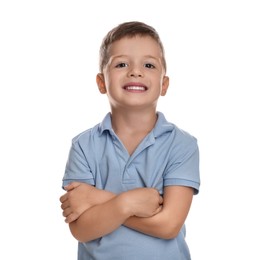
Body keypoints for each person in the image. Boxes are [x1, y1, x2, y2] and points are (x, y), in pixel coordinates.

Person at [59, 21, 200, 260]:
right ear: (101, 82)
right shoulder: (83, 145)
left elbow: (168, 225)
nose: (136, 71)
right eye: (121, 64)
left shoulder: (182, 145)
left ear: (164, 84)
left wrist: (101, 199)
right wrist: (128, 203)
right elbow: (81, 229)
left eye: (149, 64)